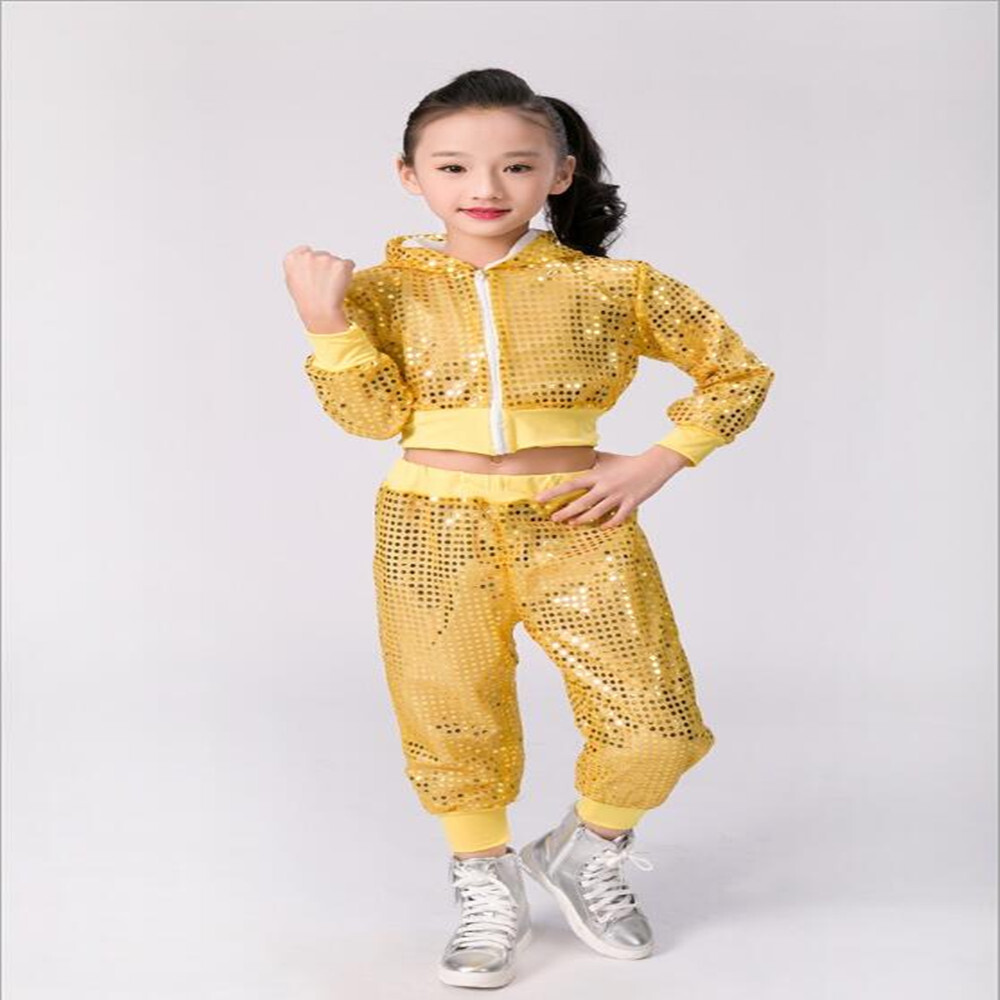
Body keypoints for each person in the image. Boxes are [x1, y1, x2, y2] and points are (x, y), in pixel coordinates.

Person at [283, 67, 775, 990]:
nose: (485, 187)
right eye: (453, 167)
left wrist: (658, 461)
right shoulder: (383, 292)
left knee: (657, 722)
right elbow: (370, 416)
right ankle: (485, 878)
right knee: (449, 710)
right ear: (409, 175)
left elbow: (736, 374)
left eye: (515, 165)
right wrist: (326, 322)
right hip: (430, 527)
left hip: (577, 523)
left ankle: (586, 850)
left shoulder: (615, 285)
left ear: (560, 172)